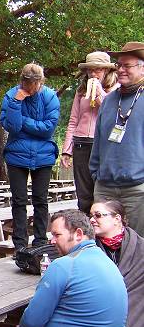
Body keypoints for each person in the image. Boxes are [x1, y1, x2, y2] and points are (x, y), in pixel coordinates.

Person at [0, 209, 127, 327]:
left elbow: (31, 322)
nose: (52, 241)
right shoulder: (109, 264)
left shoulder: (64, 265)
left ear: (78, 234)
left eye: (57, 235)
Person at [0, 63, 60, 251]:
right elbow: (13, 127)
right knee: (19, 200)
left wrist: (25, 121)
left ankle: (40, 241)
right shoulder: (11, 96)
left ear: (41, 82)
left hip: (43, 155)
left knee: (40, 200)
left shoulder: (50, 96)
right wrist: (17, 103)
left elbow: (48, 129)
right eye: (27, 85)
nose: (31, 89)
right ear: (22, 81)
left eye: (35, 85)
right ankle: (19, 244)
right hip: (17, 155)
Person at [90, 41, 144, 236]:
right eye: (118, 65)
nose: (120, 69)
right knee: (103, 243)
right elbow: (98, 140)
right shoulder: (109, 100)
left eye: (127, 65)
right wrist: (96, 173)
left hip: (137, 189)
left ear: (142, 67)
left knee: (137, 245)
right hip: (105, 188)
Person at [60, 52, 118, 214]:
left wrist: (99, 92)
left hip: (103, 144)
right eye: (90, 70)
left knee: (102, 192)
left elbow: (112, 113)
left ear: (106, 71)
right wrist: (66, 150)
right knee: (84, 194)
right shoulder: (81, 91)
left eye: (98, 70)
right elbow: (73, 121)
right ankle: (86, 230)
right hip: (81, 144)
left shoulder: (116, 90)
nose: (93, 74)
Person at [90, 199, 144, 327]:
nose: (92, 220)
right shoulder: (87, 248)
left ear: (117, 219)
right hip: (98, 313)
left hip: (135, 311)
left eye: (98, 215)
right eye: (91, 216)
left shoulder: (141, 248)